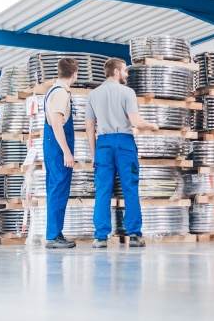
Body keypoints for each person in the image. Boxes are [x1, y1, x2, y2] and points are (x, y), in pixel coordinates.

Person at [87, 57, 158, 248]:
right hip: (124, 143)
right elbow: (136, 122)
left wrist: (94, 155)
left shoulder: (93, 95)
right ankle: (134, 235)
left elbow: (89, 128)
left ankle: (101, 237)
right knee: (130, 188)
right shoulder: (127, 92)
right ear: (116, 71)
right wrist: (151, 125)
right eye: (125, 70)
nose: (127, 74)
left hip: (103, 144)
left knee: (102, 190)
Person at [43, 57, 79, 250]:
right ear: (74, 74)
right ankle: (53, 235)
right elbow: (57, 124)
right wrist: (67, 152)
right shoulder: (61, 94)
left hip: (52, 145)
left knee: (55, 189)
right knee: (58, 190)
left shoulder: (52, 91)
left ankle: (55, 232)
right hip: (58, 148)